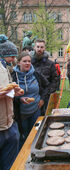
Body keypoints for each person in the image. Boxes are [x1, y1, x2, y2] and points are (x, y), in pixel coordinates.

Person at [12, 52, 49, 148]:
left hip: (35, 111)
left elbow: (46, 86)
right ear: (18, 63)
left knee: (35, 135)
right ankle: (23, 159)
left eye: (29, 61)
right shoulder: (13, 76)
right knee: (23, 137)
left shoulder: (35, 74)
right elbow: (10, 95)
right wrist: (19, 99)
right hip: (21, 114)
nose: (27, 63)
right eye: (24, 61)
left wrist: (42, 99)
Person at [0, 34, 24, 170]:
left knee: (11, 165)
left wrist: (14, 92)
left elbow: (7, 89)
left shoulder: (5, 68)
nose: (14, 60)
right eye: (12, 56)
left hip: (9, 125)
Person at [30, 39, 58, 115]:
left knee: (44, 118)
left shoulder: (50, 64)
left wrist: (45, 96)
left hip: (46, 96)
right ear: (34, 48)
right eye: (38, 47)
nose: (39, 49)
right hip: (32, 96)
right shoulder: (29, 63)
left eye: (41, 47)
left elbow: (55, 80)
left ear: (44, 48)